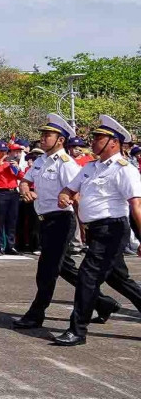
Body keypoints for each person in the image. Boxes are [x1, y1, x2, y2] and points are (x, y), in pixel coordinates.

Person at [12, 114, 123, 332]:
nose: (42, 139)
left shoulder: (66, 164)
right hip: (44, 220)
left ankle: (36, 314)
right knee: (62, 267)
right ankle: (103, 302)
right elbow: (26, 180)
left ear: (60, 140)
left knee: (46, 270)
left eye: (48, 135)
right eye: (42, 135)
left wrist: (83, 227)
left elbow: (76, 194)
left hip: (60, 220)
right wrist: (25, 188)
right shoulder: (42, 160)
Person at [49, 115, 141, 346]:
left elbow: (136, 206)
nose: (94, 141)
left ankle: (77, 330)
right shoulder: (91, 167)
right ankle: (101, 309)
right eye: (95, 137)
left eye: (100, 137)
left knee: (87, 278)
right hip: (95, 230)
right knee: (119, 280)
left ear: (114, 142)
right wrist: (64, 195)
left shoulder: (125, 169)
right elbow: (70, 188)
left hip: (112, 230)